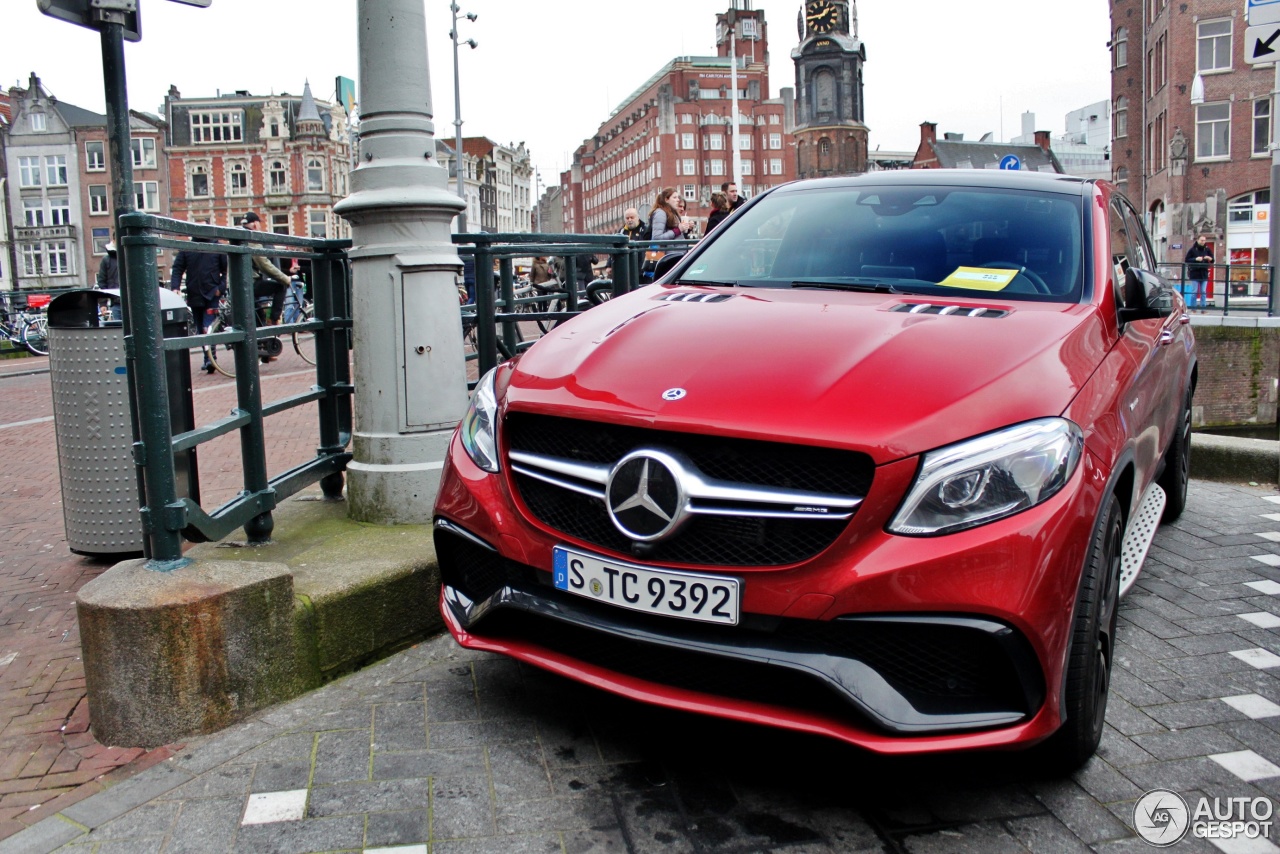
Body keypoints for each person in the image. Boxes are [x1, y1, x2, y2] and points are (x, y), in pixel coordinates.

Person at [170, 236, 228, 373]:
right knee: (199, 325)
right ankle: (207, 358)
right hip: (194, 293)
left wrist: (220, 288)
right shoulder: (187, 248)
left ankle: (210, 359)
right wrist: (175, 287)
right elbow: (178, 268)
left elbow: (226, 270)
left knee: (207, 327)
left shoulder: (217, 247)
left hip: (212, 293)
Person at [240, 212, 291, 326]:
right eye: (259, 223)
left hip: (237, 285)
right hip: (249, 284)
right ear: (255, 224)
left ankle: (263, 337)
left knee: (258, 318)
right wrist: (285, 279)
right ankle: (274, 320)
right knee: (281, 286)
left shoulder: (239, 236)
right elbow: (264, 264)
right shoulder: (251, 238)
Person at [1184, 235, 1213, 312]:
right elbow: (1186, 260)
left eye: (1204, 240)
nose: (1203, 242)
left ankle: (1203, 309)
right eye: (1201, 240)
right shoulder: (1192, 249)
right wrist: (1195, 259)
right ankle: (1193, 309)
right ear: (1197, 240)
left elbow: (1213, 260)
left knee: (1203, 291)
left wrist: (1210, 258)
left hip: (1204, 273)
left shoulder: (1207, 249)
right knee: (1194, 292)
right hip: (1195, 273)